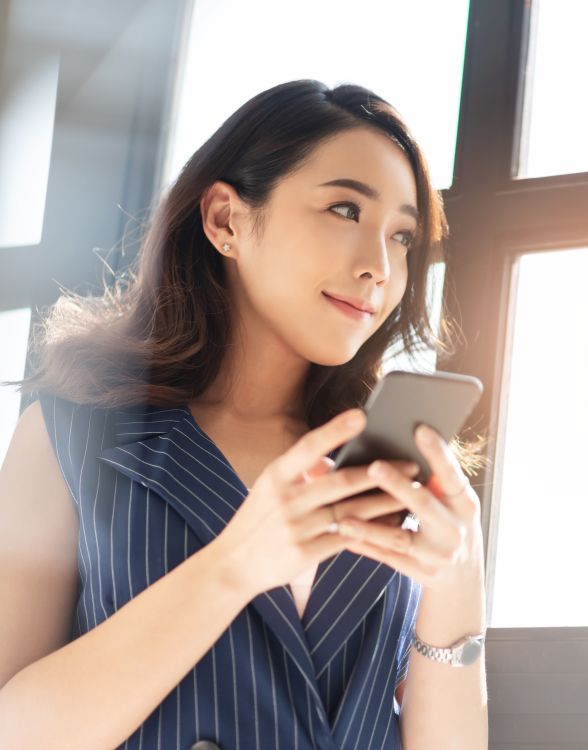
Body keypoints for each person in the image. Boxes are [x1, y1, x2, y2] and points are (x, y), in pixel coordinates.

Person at [0, 80, 489, 749]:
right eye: (345, 209)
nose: (380, 266)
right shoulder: (69, 436)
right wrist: (234, 567)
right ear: (225, 220)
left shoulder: (393, 469)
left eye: (403, 236)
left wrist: (457, 583)